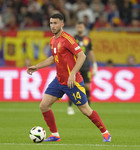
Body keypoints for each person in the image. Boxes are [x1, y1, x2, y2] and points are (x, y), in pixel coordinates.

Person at [27, 13, 111, 142]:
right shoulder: (52, 40)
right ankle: (55, 135)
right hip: (59, 80)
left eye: (55, 23)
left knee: (85, 110)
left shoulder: (68, 39)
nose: (53, 26)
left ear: (62, 24)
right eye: (51, 23)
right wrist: (37, 66)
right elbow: (53, 58)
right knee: (44, 106)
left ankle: (105, 133)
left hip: (73, 82)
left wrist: (72, 74)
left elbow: (82, 56)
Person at [67, 21, 97, 115]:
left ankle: (88, 108)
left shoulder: (87, 39)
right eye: (78, 26)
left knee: (87, 86)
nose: (79, 28)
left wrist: (94, 64)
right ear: (76, 27)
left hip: (86, 66)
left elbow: (90, 52)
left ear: (84, 27)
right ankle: (70, 107)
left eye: (81, 26)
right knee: (72, 86)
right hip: (75, 66)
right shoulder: (72, 38)